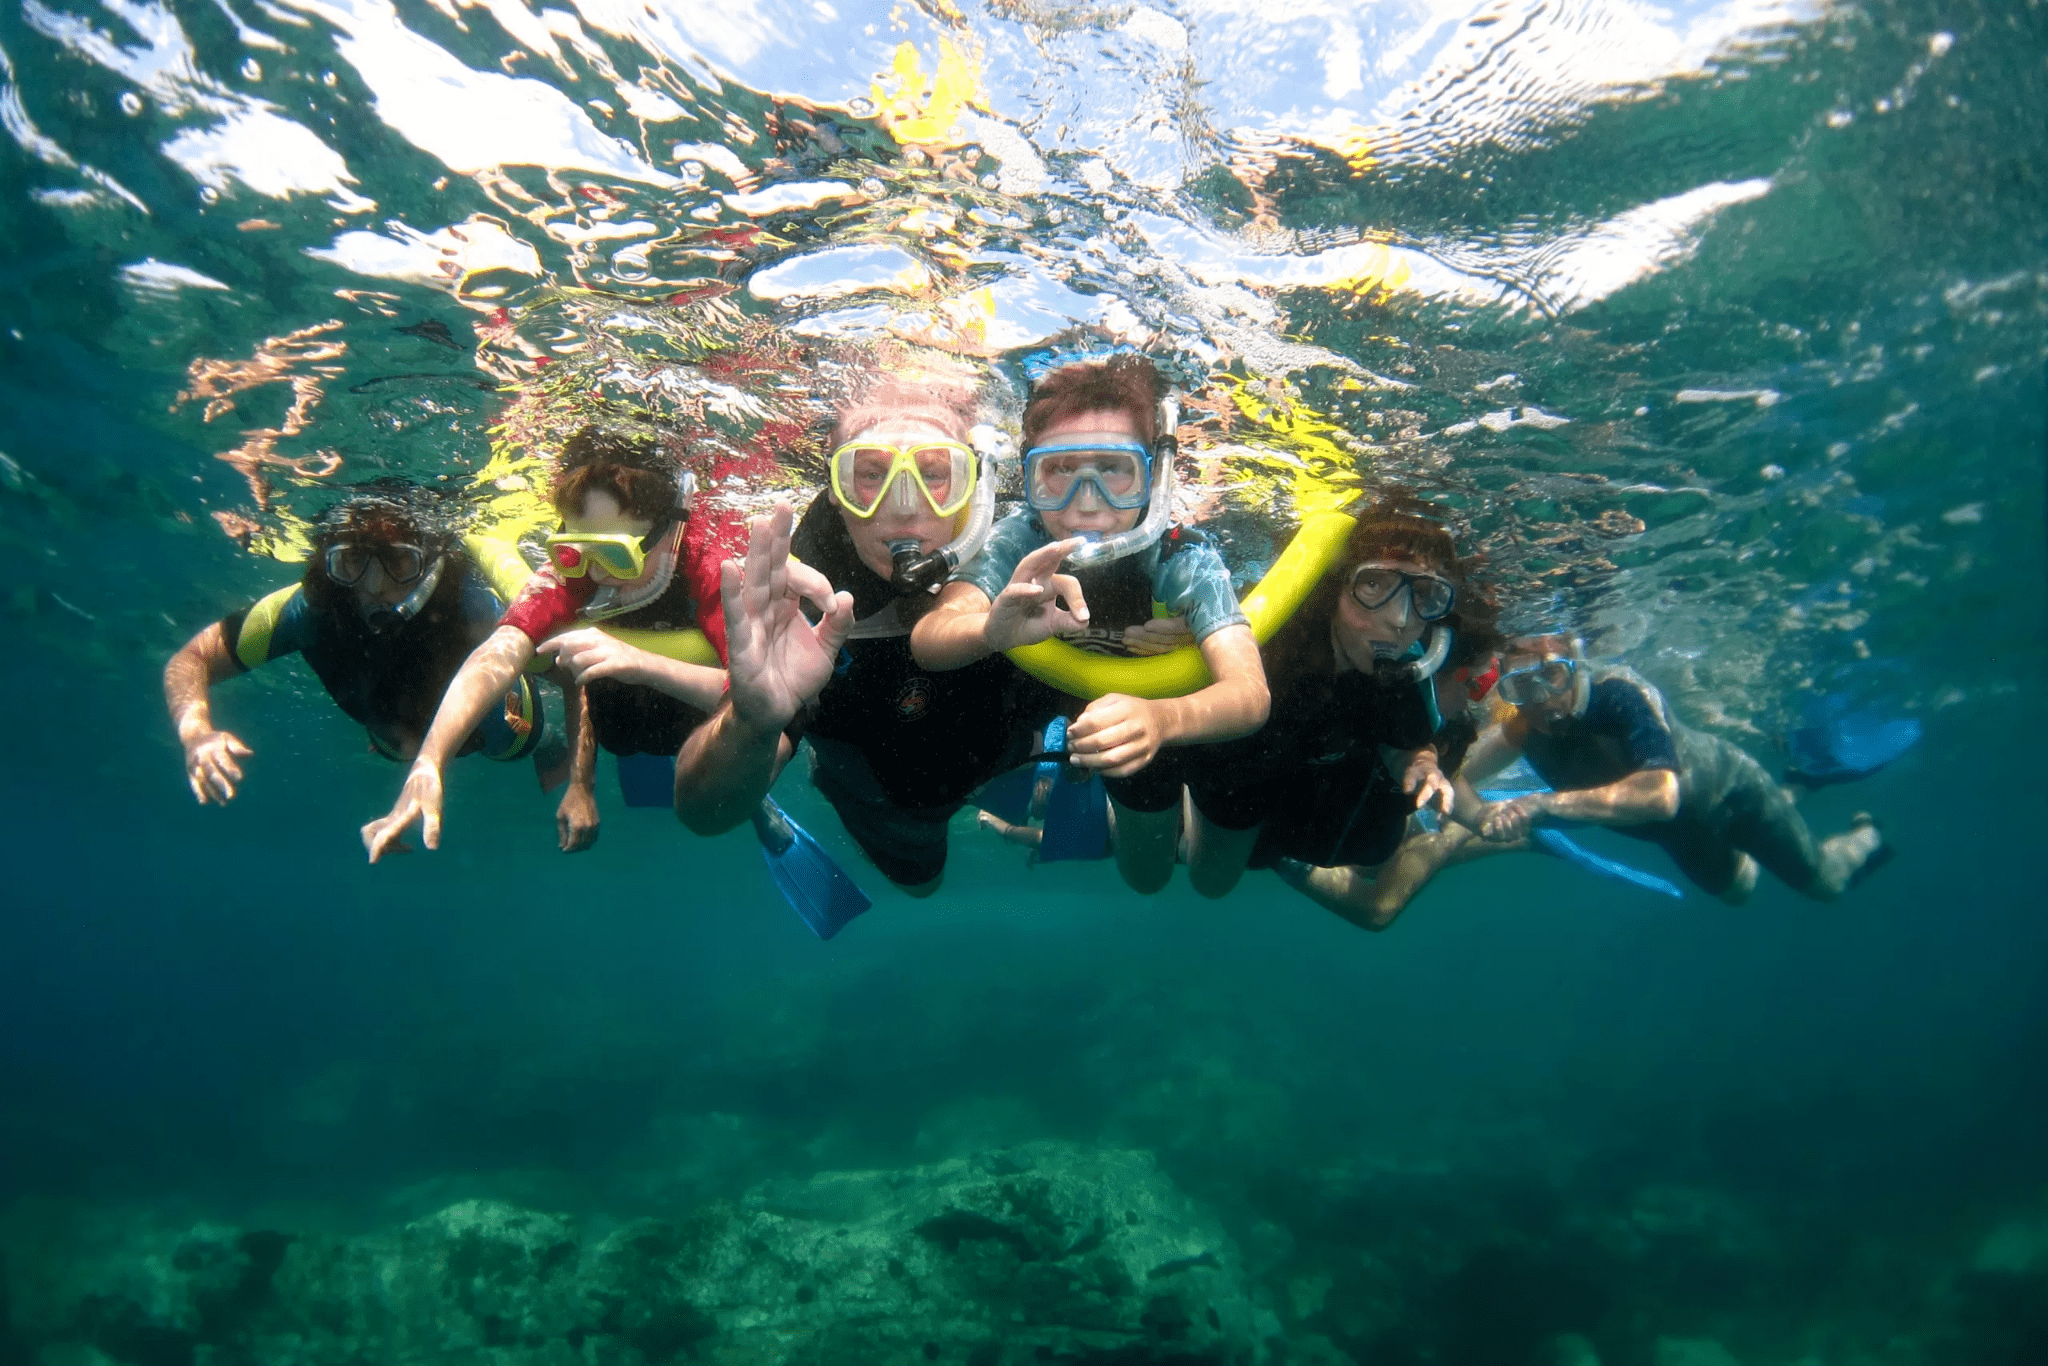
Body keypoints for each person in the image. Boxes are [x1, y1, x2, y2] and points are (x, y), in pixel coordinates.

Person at [675, 362, 1040, 896]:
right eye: (870, 473)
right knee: (922, 886)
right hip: (886, 796)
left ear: (975, 480)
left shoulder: (1018, 540)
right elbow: (702, 815)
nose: (905, 505)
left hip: (1009, 752)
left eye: (936, 471)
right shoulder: (802, 584)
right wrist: (751, 725)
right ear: (834, 488)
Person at [909, 355, 1269, 893]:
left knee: (1213, 882)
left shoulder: (1178, 551)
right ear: (1029, 476)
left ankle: (1186, 822)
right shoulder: (1020, 538)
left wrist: (1163, 721)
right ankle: (1096, 818)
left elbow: (1249, 692)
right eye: (1059, 471)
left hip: (1178, 719)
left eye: (1114, 470)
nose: (1087, 503)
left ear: (1153, 477)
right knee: (1144, 878)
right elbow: (929, 640)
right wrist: (989, 630)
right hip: (1104, 726)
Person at [360, 426, 726, 862]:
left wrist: (641, 663)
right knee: (618, 726)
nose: (593, 573)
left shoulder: (712, 565)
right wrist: (430, 761)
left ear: (669, 533)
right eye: (576, 549)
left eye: (614, 555)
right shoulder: (577, 571)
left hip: (702, 719)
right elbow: (498, 653)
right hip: (621, 719)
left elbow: (756, 692)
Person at [1176, 508, 1482, 927]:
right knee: (1211, 884)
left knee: (1375, 846)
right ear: (1333, 586)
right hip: (1235, 774)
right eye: (1374, 583)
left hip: (1297, 779)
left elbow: (1406, 741)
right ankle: (1178, 811)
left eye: (1424, 594)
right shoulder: (1270, 646)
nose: (1399, 620)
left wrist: (1422, 763)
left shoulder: (1405, 672)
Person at [164, 486, 557, 804]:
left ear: (434, 558)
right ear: (328, 561)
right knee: (397, 746)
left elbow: (558, 659)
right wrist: (195, 732)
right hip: (392, 737)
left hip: (497, 727)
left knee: (521, 741)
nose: (373, 587)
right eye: (352, 562)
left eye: (399, 564)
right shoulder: (309, 607)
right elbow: (192, 657)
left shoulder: (469, 601)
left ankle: (548, 744)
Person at [1451, 634, 1890, 902]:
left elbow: (1661, 795)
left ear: (1577, 667)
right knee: (1739, 892)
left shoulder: (1619, 694)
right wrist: (1480, 813)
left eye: (1554, 676)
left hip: (1730, 793)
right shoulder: (1522, 727)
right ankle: (1793, 791)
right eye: (1521, 686)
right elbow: (1454, 773)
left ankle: (1865, 835)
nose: (1542, 696)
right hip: (1679, 833)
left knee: (1824, 886)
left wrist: (1541, 805)